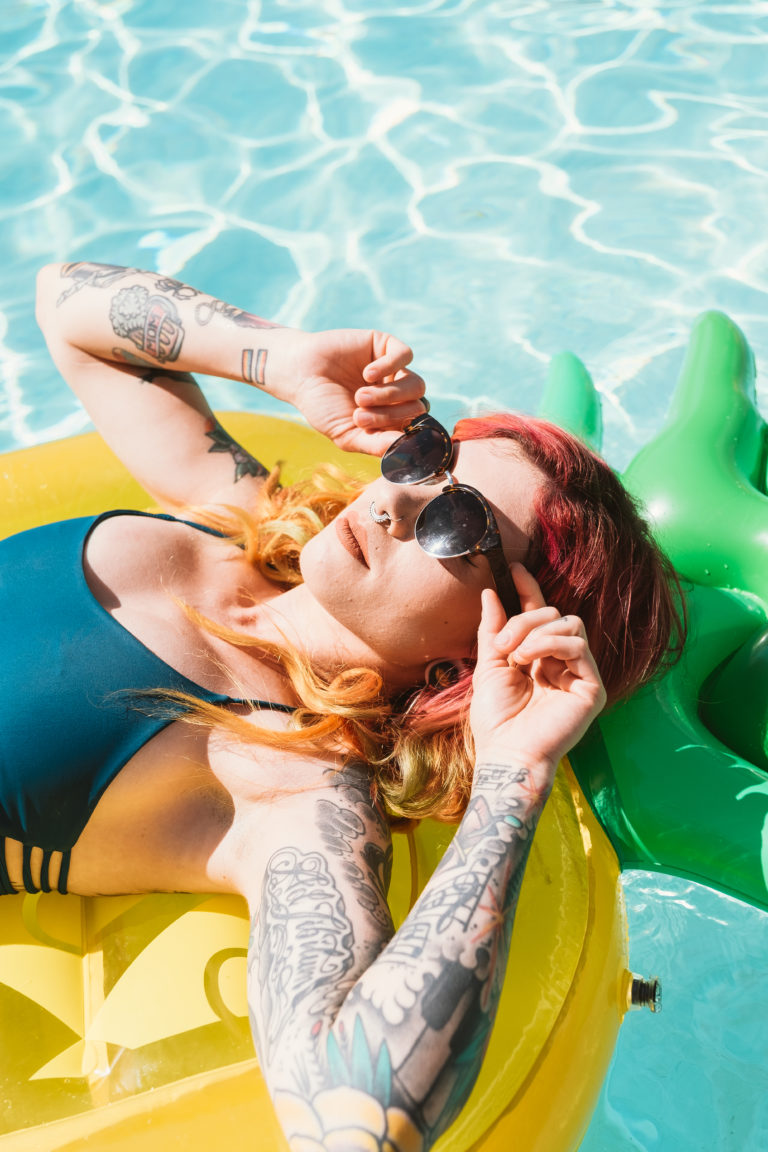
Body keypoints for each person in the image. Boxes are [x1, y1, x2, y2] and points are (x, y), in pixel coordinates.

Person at [1, 261, 684, 1151]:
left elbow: (349, 1123)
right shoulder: (238, 514)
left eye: (458, 527)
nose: (398, 498)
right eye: (427, 458)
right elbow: (64, 304)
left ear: (470, 658)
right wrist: (277, 357)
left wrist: (514, 779)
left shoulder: (281, 778)